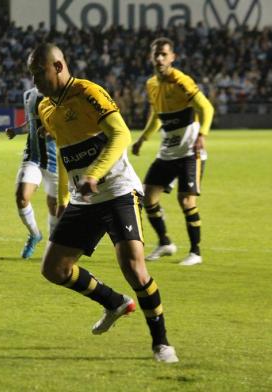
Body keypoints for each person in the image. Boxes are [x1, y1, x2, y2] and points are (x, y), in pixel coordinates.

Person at [28, 43, 178, 363]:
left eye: (39, 71)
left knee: (134, 267)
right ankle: (113, 302)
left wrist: (95, 173)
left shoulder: (87, 93)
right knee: (54, 269)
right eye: (31, 73)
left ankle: (161, 343)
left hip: (117, 189)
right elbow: (65, 151)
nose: (35, 79)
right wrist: (65, 194)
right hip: (85, 198)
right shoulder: (45, 107)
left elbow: (121, 134)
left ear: (57, 66)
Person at [132, 37, 214, 266]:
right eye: (156, 54)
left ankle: (195, 252)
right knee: (148, 197)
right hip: (168, 151)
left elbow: (206, 107)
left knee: (186, 201)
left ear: (172, 57)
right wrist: (142, 139)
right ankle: (165, 242)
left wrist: (202, 135)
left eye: (164, 54)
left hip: (190, 151)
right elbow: (157, 116)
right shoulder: (151, 84)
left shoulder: (181, 81)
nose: (159, 58)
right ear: (151, 57)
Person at [5, 87, 58, 259]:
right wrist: (16, 130)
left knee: (55, 207)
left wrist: (53, 131)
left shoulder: (61, 94)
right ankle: (35, 234)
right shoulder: (29, 94)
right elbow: (31, 123)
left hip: (56, 161)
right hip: (33, 157)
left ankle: (53, 247)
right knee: (21, 196)